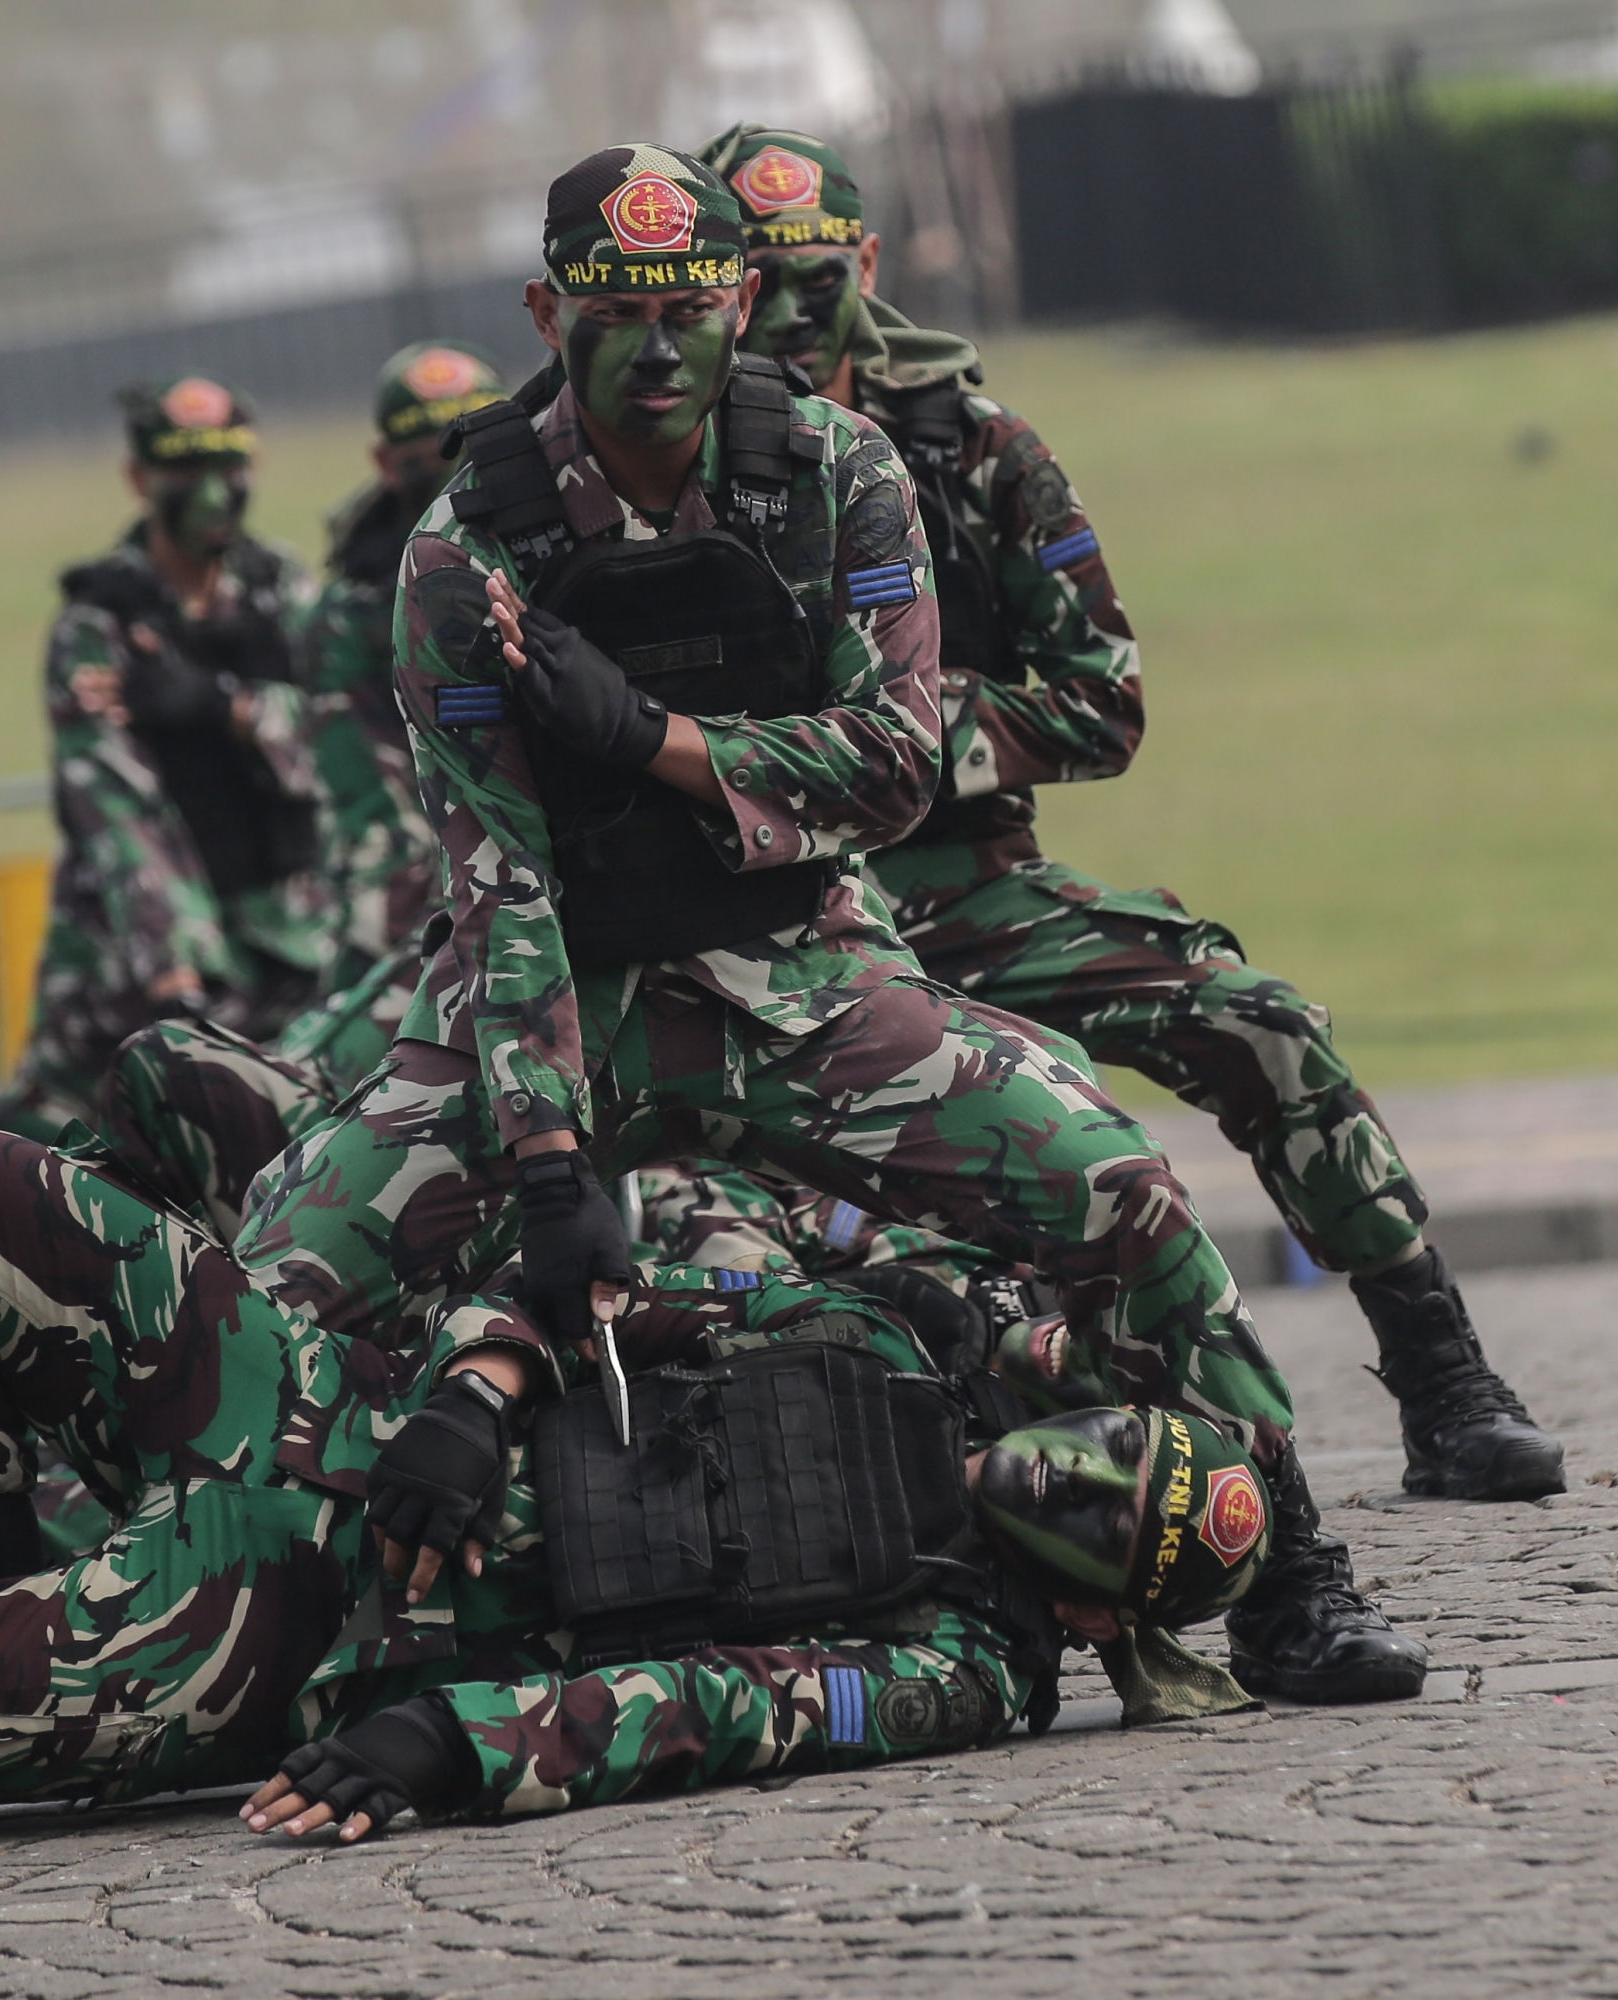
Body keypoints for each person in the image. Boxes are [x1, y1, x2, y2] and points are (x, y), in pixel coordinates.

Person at [232, 142, 1423, 1702]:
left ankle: (1291, 1581)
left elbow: (892, 766)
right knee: (264, 1286)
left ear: (737, 299)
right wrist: (542, 1166)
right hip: (565, 1007)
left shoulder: (845, 472)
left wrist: (649, 737)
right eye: (614, 313)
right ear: (543, 311)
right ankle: (226, 1613)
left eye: (690, 308)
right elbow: (499, 877)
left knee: (1126, 1199)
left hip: (811, 984)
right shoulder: (463, 553)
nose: (658, 353)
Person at [0, 1117, 1269, 1917]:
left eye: (1123, 1524)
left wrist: (443, 1745)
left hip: (304, 1624)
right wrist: (482, 1377)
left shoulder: (957, 1664)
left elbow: (703, 1714)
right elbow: (617, 1261)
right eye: (1118, 1441)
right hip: (327, 1413)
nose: (1078, 1477)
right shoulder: (893, 1322)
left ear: (1110, 1619)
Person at [696, 123, 1564, 1530]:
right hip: (774, 929)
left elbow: (1102, 701)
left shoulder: (970, 448)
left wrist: (905, 736)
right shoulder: (661, 473)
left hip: (971, 887)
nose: (789, 310)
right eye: (752, 278)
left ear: (865, 260)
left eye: (817, 274)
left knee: (1261, 1019)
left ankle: (1445, 1381)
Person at [0, 377, 327, 1137]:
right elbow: (117, 812)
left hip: (291, 942)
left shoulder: (283, 592)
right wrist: (179, 972)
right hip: (139, 963)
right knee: (41, 1149)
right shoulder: (99, 623)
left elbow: (340, 742)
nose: (211, 493)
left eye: (227, 467)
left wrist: (221, 705)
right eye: (185, 471)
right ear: (140, 480)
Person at [301, 344, 509, 991]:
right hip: (441, 874)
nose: (457, 471)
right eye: (429, 455)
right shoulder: (351, 613)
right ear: (386, 466)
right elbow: (373, 806)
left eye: (471, 437)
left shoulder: (559, 546)